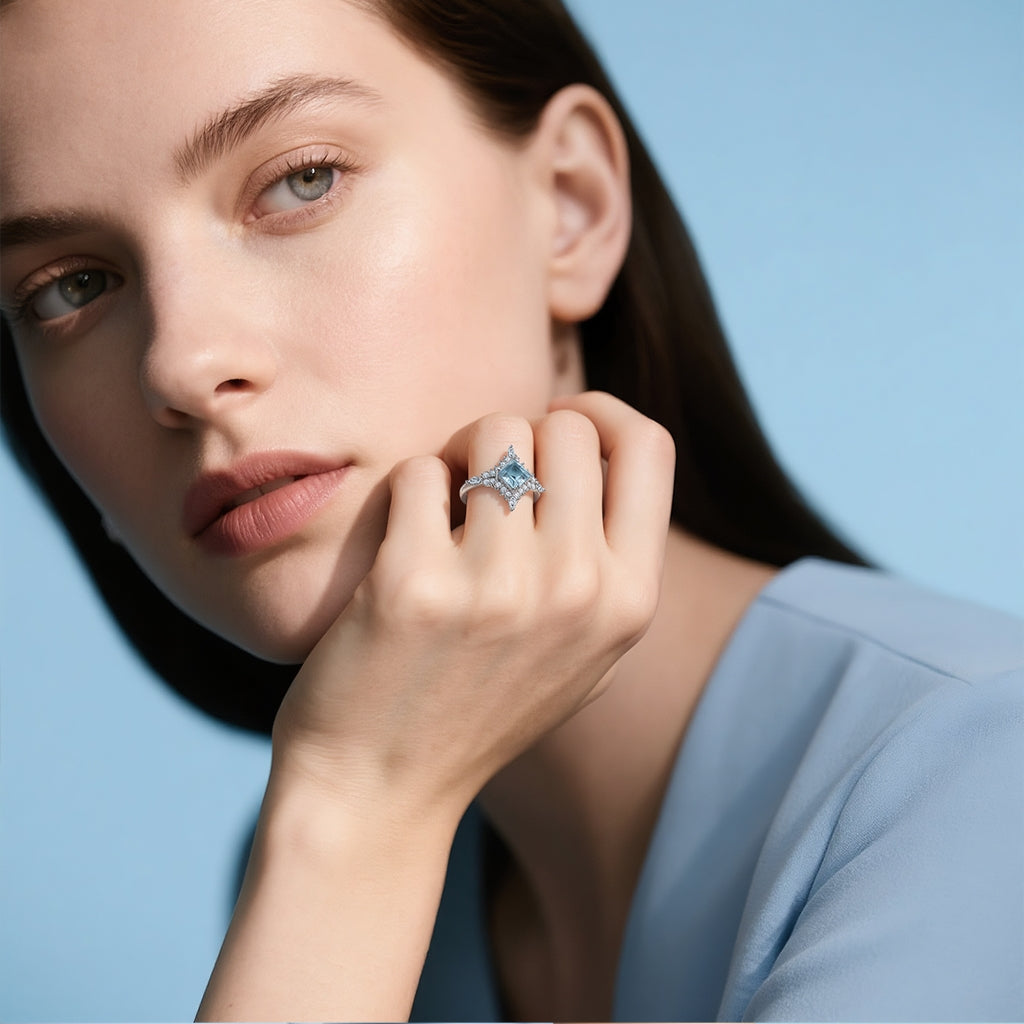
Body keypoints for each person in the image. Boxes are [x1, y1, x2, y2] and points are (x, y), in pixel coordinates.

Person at [1, 0, 1020, 1021]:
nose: (179, 363)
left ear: (570, 207)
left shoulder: (976, 780)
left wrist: (353, 819)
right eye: (67, 287)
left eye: (302, 180)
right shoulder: (361, 871)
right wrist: (352, 827)